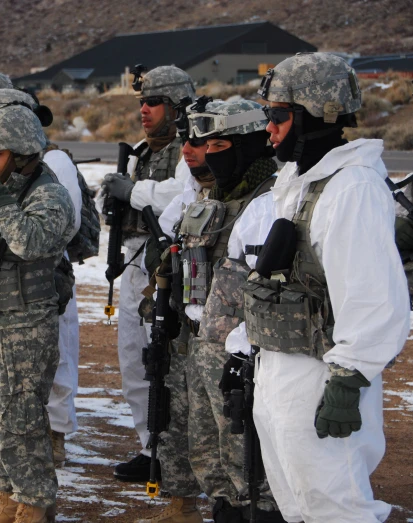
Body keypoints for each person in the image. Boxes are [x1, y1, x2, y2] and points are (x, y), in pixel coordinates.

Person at [230, 52, 409, 522]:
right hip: (280, 364)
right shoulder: (301, 183)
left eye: (278, 116)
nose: (269, 128)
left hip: (320, 372)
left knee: (336, 505)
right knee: (297, 503)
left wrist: (349, 377)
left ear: (317, 115)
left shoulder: (351, 188)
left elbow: (373, 295)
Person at [141, 99, 282, 523]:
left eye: (219, 143)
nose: (207, 153)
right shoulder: (208, 198)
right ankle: (220, 507)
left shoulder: (271, 201)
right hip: (199, 345)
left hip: (244, 356)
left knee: (248, 459)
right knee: (208, 450)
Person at [0, 103, 75, 523]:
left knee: (20, 418)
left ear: (22, 153)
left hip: (26, 321)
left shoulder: (48, 193)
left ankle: (36, 503)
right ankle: (8, 496)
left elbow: (30, 242)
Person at [100, 65, 193, 485]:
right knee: (133, 358)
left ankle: (173, 448)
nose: (144, 109)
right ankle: (149, 444)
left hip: (170, 263)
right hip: (139, 257)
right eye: (141, 102)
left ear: (174, 106)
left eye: (153, 102)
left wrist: (133, 192)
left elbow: (180, 195)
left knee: (165, 359)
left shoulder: (190, 148)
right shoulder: (144, 150)